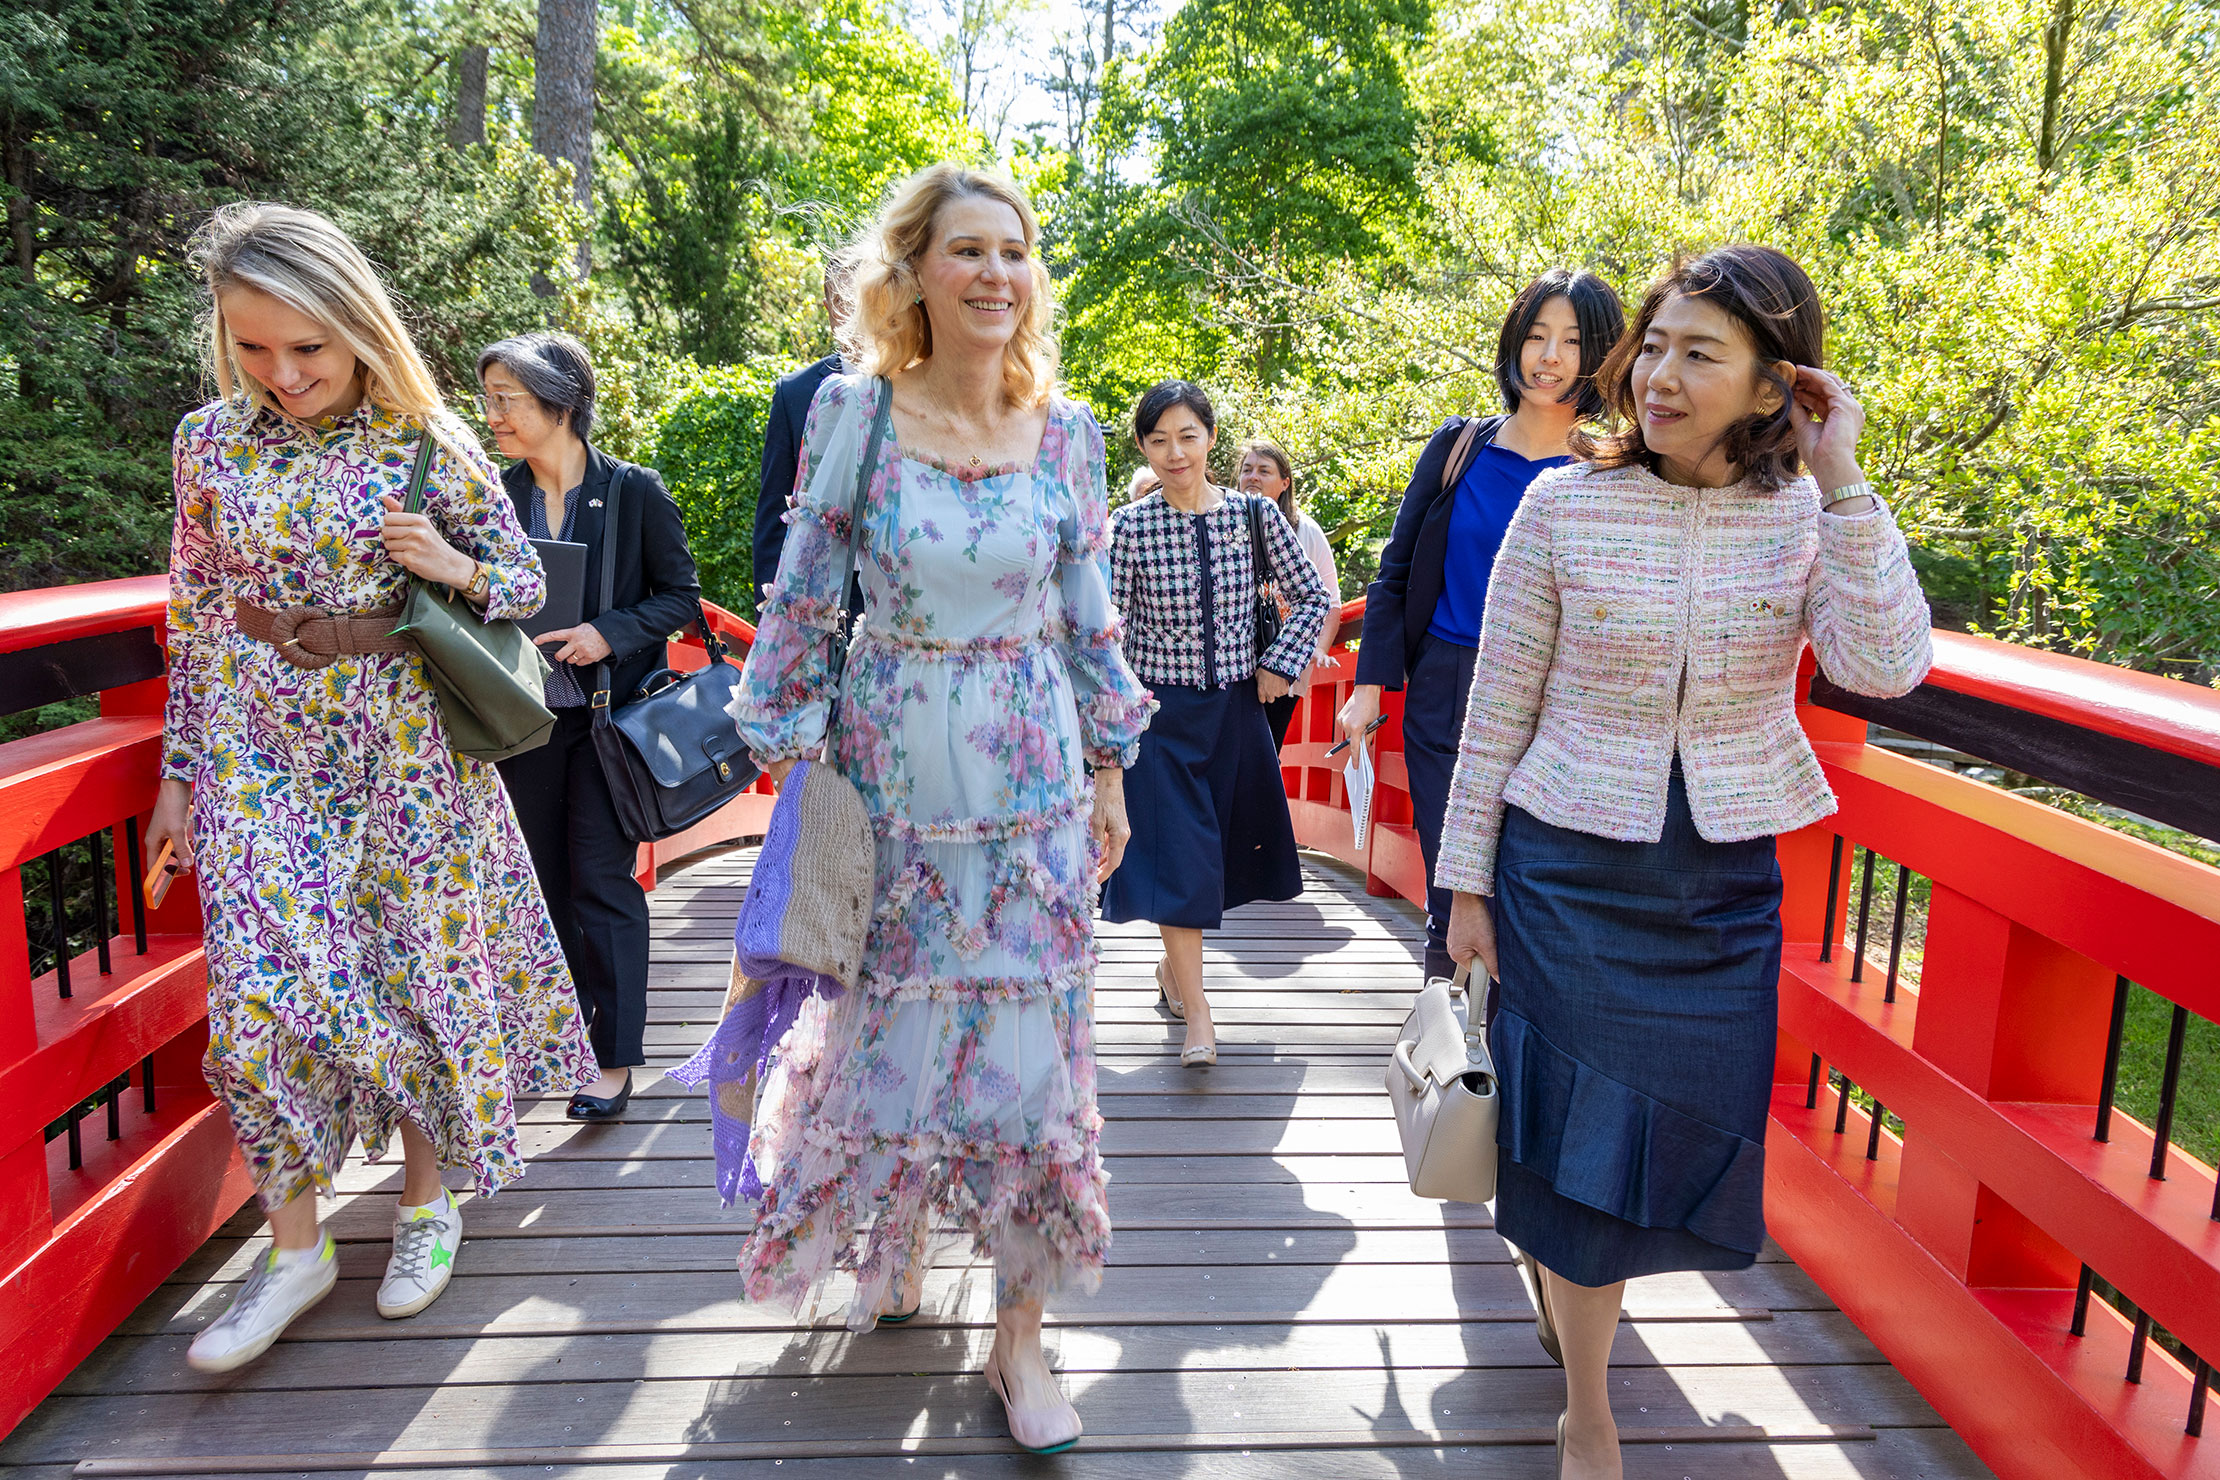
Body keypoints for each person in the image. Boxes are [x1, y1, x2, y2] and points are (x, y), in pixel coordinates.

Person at [1436, 245, 1934, 1479]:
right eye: (1651, 344)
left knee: (1664, 1130)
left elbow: (1886, 665)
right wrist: (1467, 885)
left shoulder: (1806, 514)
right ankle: (1591, 1413)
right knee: (1581, 1140)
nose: (1656, 373)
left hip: (1717, 884)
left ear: (1774, 386)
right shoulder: (1565, 502)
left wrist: (1847, 473)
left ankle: (1576, 1286)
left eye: (1698, 353)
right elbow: (1495, 707)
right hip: (1566, 865)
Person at [726, 163, 1153, 1455]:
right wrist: (795, 773)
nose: (994, 275)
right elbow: (802, 605)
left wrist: (1112, 765)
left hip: (1030, 793)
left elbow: (1087, 615)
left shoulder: (1069, 437)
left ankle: (1021, 1344)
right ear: (911, 273)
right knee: (892, 1032)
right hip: (891, 775)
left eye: (1014, 253)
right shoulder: (854, 420)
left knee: (1034, 1057)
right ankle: (895, 1229)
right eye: (966, 251)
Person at [146, 202, 597, 1372]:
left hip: (401, 744)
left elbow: (518, 582)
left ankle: (424, 1203)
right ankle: (294, 1247)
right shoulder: (207, 440)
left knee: (414, 970)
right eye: (253, 346)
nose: (282, 374)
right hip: (257, 742)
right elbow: (194, 610)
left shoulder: (424, 438)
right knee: (256, 1002)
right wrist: (180, 773)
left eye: (309, 347)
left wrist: (452, 564)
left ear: (357, 329)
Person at [1338, 270, 1625, 983]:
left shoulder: (1612, 471)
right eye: (1535, 337)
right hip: (1447, 683)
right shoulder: (1460, 447)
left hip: (1554, 702)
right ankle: (1447, 1059)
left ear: (1600, 358)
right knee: (1452, 874)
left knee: (1526, 881)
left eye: (1571, 341)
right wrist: (1369, 687)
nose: (1549, 357)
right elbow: (1397, 571)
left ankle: (1513, 1055)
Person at [478, 331, 705, 1121]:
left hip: (609, 718)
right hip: (522, 721)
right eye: (490, 400)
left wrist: (607, 633)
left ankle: (614, 1061)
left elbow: (681, 596)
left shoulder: (632, 490)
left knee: (602, 881)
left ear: (561, 402)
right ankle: (563, 1038)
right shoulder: (490, 496)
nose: (494, 415)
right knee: (538, 886)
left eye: (507, 399)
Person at [1103, 383, 1333, 1068]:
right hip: (1160, 718)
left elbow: (1315, 594)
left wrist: (1278, 664)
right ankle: (1200, 1015)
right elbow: (1109, 632)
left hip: (1235, 712)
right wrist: (1114, 725)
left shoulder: (1255, 516)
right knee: (1182, 855)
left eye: (1188, 436)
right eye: (1158, 440)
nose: (1175, 453)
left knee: (1221, 854)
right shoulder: (1130, 526)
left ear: (1210, 439)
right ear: (1143, 448)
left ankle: (1175, 974)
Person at [754, 259, 851, 600]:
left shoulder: (919, 384)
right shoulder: (794, 392)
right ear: (827, 308)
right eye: (842, 301)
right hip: (815, 596)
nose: (854, 311)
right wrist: (771, 611)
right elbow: (773, 515)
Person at [1234, 441, 1339, 750]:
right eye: (1247, 470)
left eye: (1264, 471)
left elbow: (1329, 601)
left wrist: (1319, 648)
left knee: (1265, 751)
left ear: (1284, 483)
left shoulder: (1306, 531)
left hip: (1284, 665)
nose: (1253, 477)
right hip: (1234, 662)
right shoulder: (1224, 525)